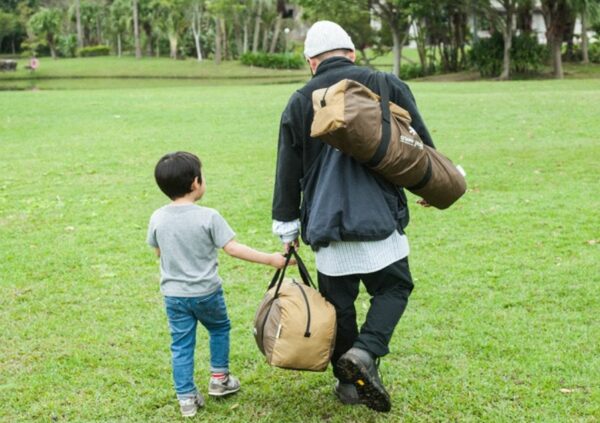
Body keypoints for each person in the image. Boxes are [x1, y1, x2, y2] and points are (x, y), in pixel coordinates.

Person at [272, 21, 436, 413]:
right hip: (378, 214)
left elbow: (287, 169)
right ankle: (366, 352)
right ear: (351, 53)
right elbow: (418, 141)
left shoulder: (299, 100)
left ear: (312, 62)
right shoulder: (384, 83)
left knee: (338, 305)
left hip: (326, 222)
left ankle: (349, 384)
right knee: (394, 288)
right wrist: (431, 184)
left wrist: (287, 226)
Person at [148, 151, 289, 418]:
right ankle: (220, 379)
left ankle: (186, 398)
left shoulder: (157, 217)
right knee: (219, 328)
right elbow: (233, 249)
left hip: (174, 296)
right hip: (207, 293)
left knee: (180, 344)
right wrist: (271, 259)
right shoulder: (209, 216)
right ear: (195, 183)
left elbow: (158, 252)